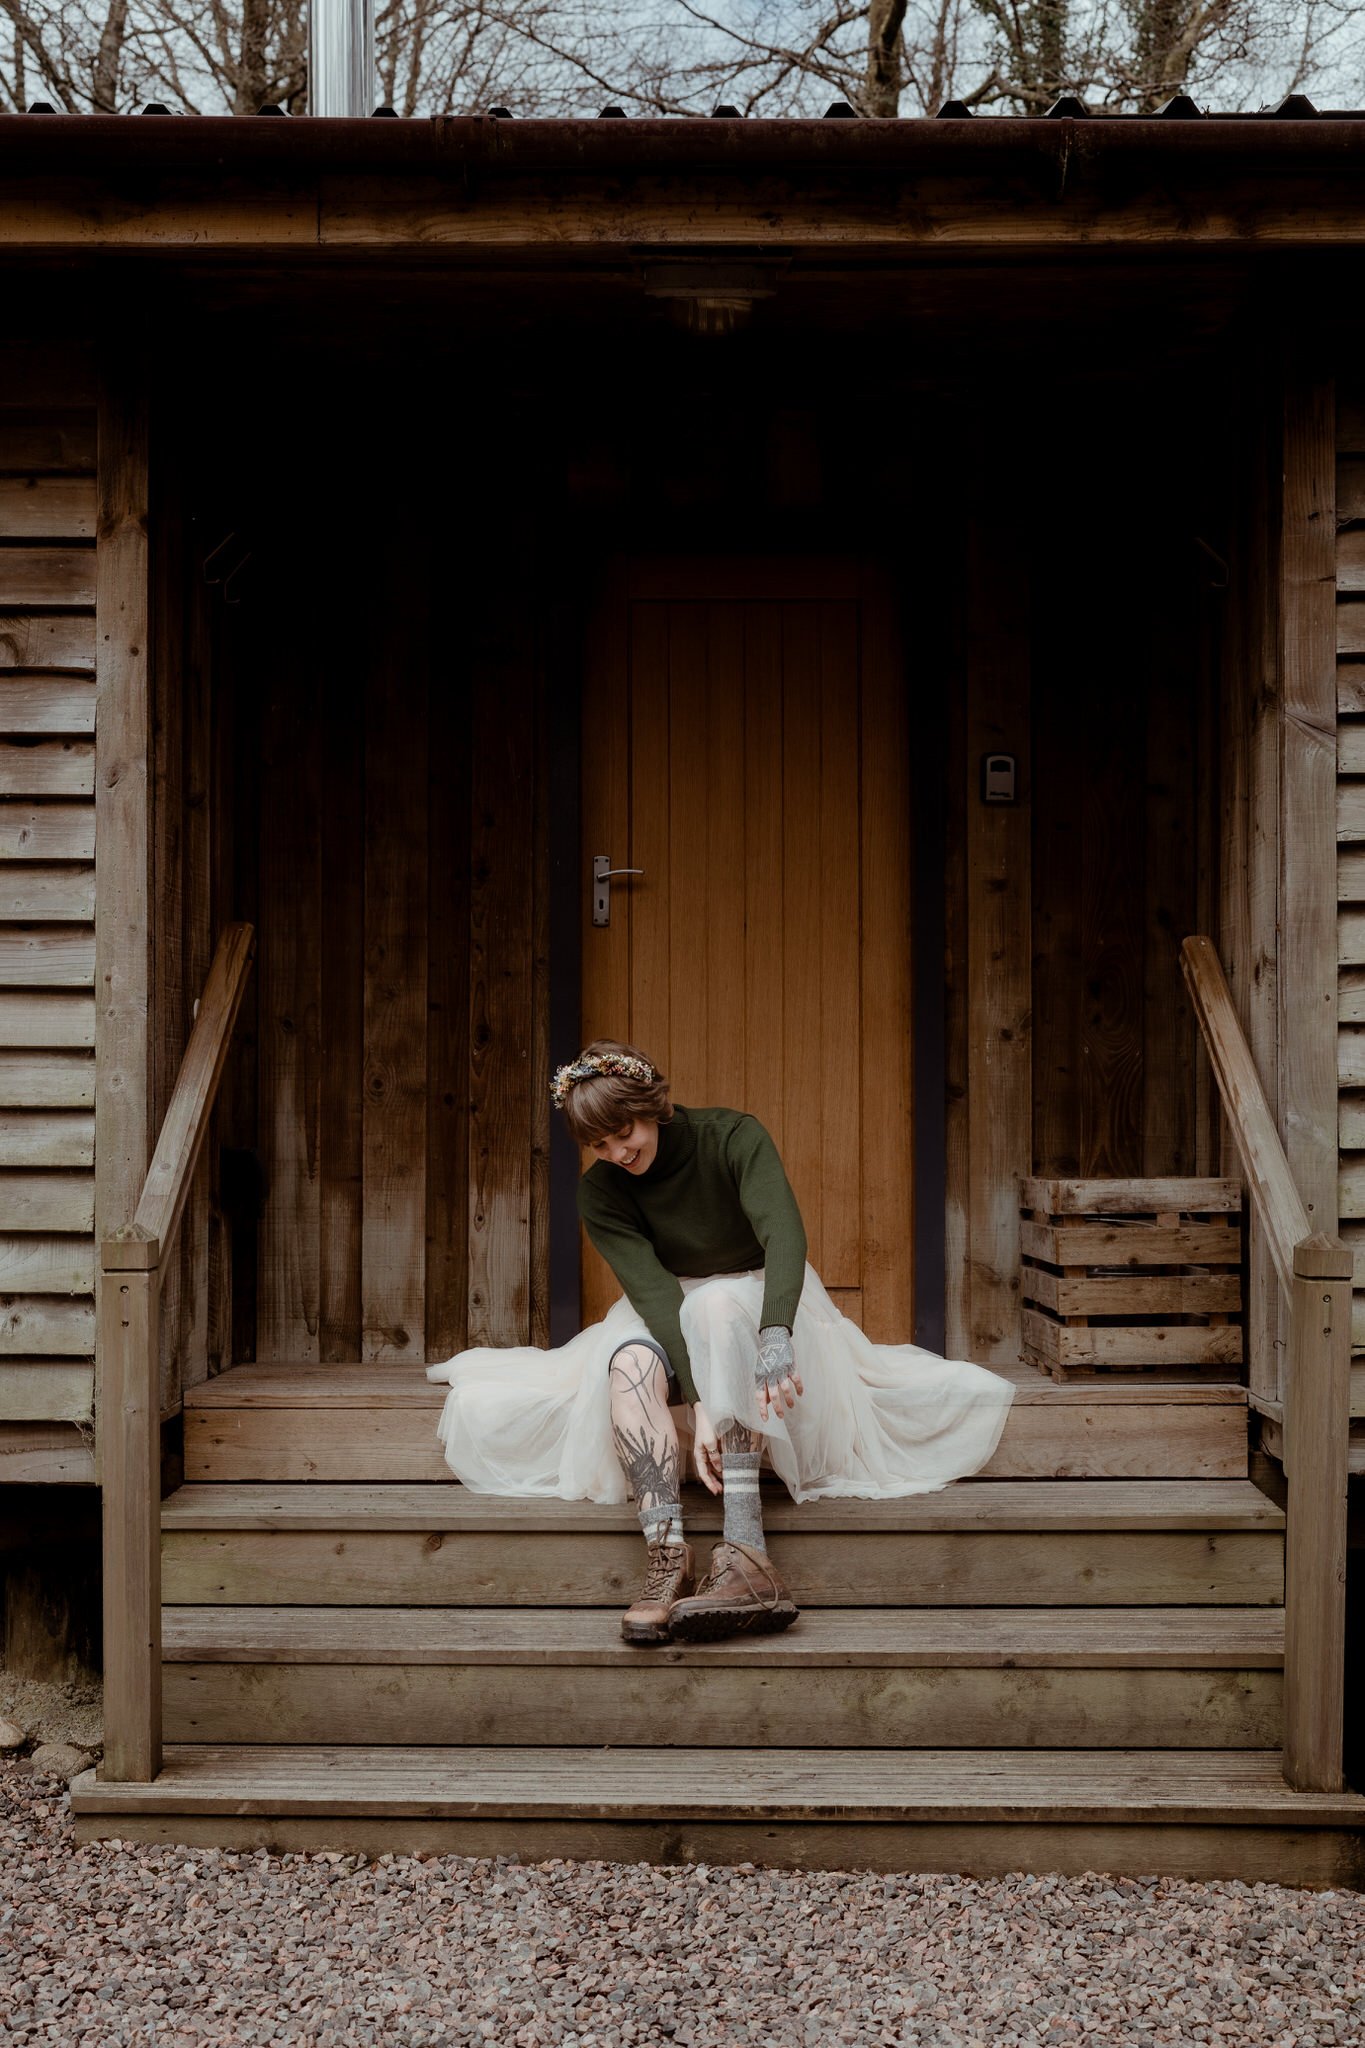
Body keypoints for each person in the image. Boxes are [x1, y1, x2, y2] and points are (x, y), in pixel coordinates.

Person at [427, 1040, 1017, 1647]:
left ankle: (746, 1550)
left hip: (763, 1297)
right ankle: (666, 1555)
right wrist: (703, 1400)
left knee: (715, 1305)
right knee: (627, 1362)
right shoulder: (600, 1191)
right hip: (670, 1310)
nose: (616, 1153)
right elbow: (656, 1295)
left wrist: (776, 1332)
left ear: (649, 1104)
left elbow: (782, 1231)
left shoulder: (733, 1137)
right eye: (598, 1145)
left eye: (622, 1131)